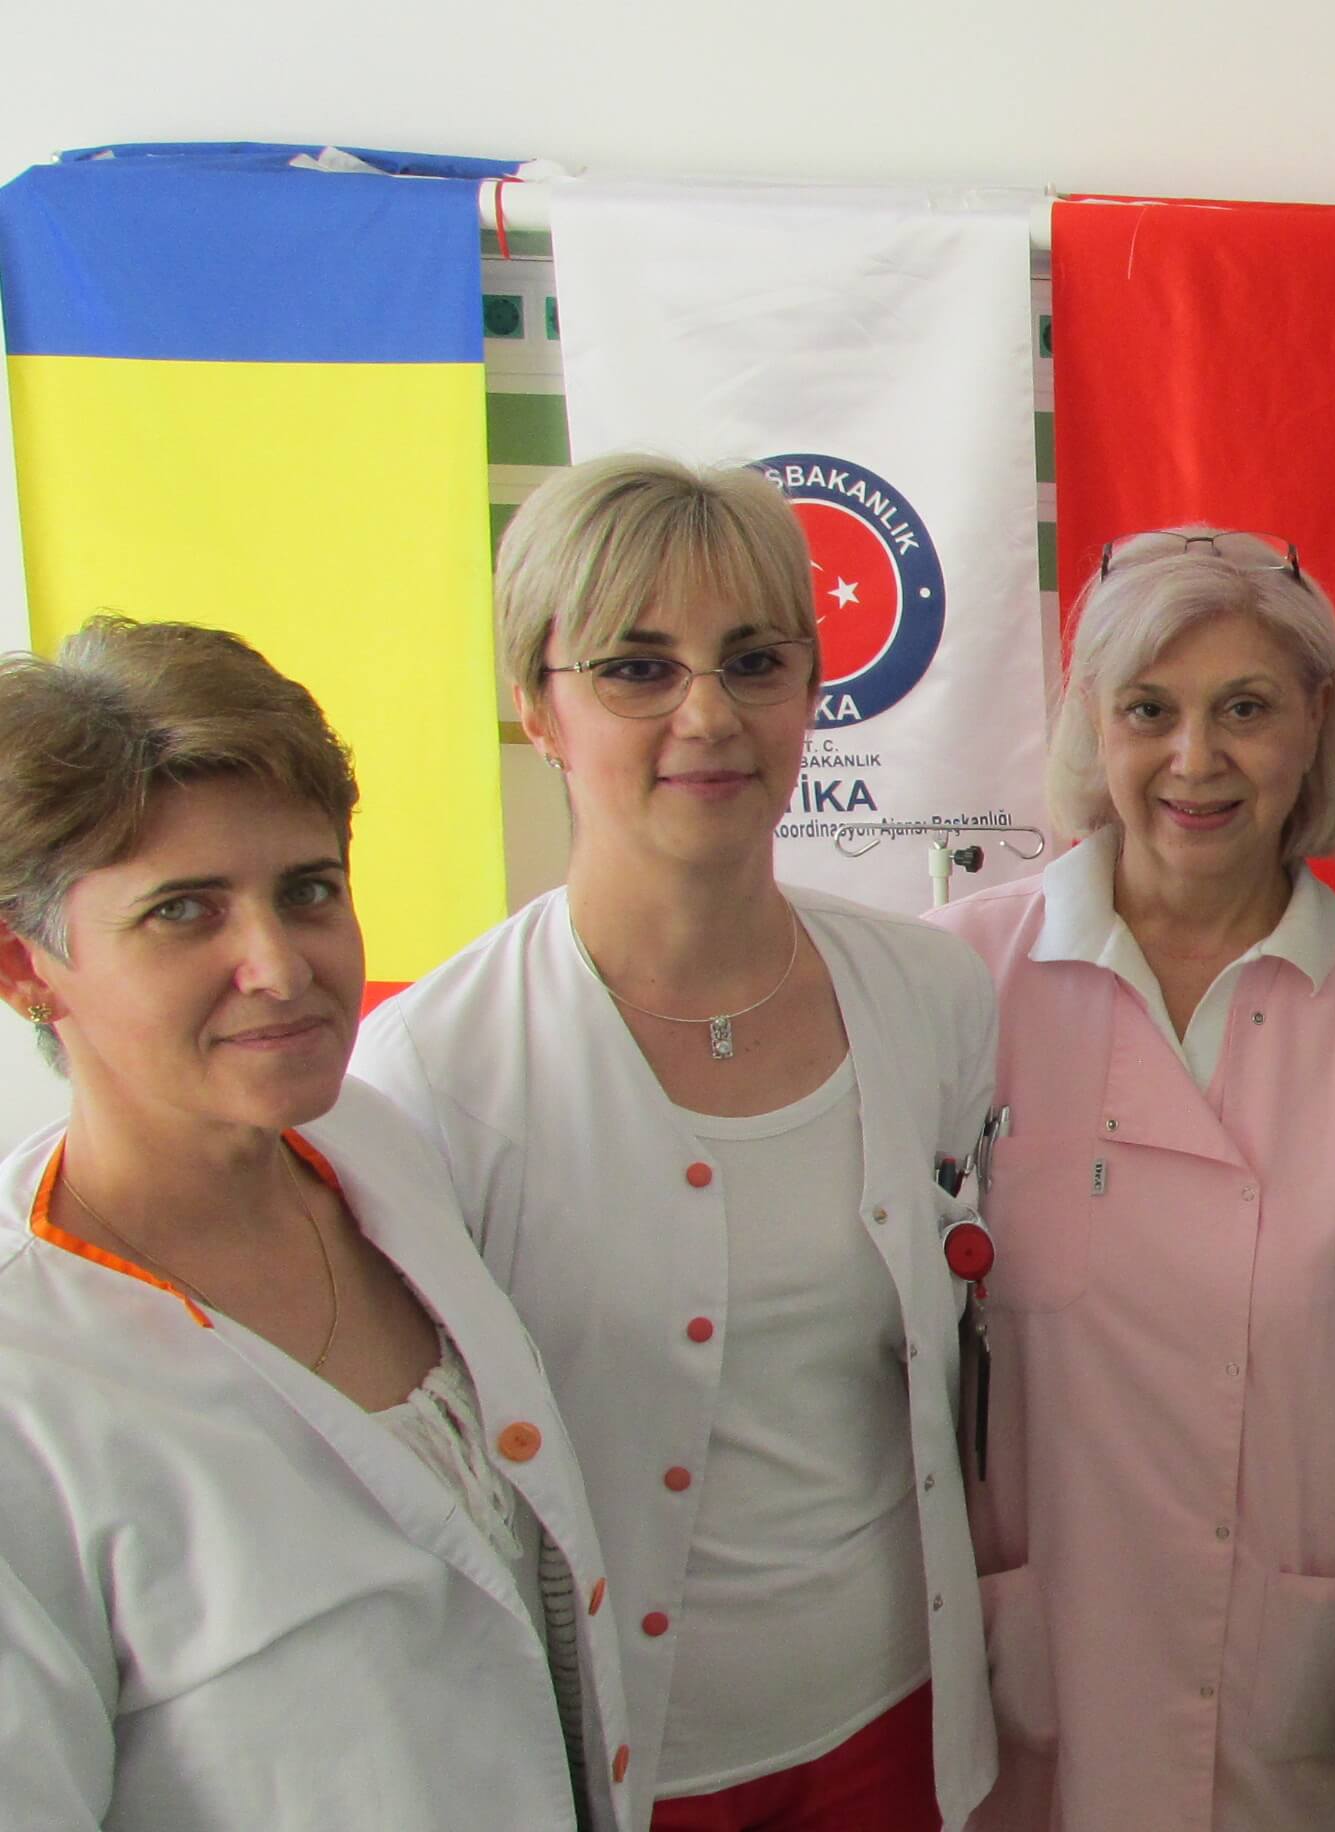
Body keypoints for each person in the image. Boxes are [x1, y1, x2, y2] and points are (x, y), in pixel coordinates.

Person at [351, 455, 998, 1829]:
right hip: (621, 1764)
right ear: (539, 706)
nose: (707, 715)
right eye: (637, 669)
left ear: (811, 690)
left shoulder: (929, 995)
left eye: (753, 661)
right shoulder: (432, 1073)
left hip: (898, 1724)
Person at [926, 527, 1335, 1832]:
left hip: (1287, 1672)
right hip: (1029, 1656)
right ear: (1094, 726)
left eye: (1245, 708)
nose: (1195, 759)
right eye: (1150, 709)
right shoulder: (955, 982)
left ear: (1316, 724)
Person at [0, 618, 637, 1829]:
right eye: (184, 911)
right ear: (25, 965)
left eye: (307, 892)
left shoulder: (374, 1147)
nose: (280, 966)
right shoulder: (28, 1385)